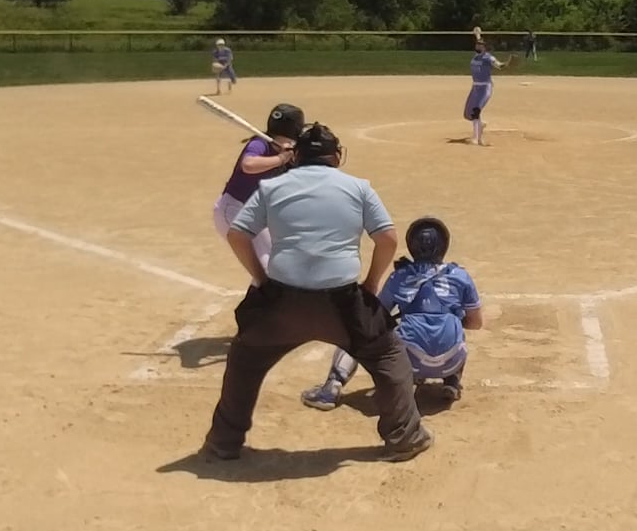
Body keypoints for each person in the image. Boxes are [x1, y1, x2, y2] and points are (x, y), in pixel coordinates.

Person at [204, 121, 434, 463]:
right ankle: (404, 437)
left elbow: (238, 234)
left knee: (245, 357)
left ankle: (225, 440)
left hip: (281, 302)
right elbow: (386, 239)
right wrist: (371, 285)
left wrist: (261, 279)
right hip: (342, 304)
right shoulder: (358, 187)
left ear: (296, 156)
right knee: (388, 356)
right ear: (336, 156)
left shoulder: (272, 187)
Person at [302, 215, 483, 411]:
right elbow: (476, 323)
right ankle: (451, 382)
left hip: (409, 363)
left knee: (360, 330)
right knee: (455, 324)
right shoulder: (460, 275)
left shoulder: (401, 275)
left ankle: (331, 388)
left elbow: (376, 315)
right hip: (451, 361)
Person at [213, 103, 305, 269]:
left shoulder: (288, 151)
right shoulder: (259, 143)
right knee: (269, 268)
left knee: (275, 263)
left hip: (253, 215)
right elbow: (248, 165)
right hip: (234, 211)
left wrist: (291, 158)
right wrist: (281, 159)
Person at [464, 27, 507, 146]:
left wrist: (506, 64)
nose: (477, 46)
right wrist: (477, 34)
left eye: (480, 45)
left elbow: (498, 65)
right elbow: (479, 40)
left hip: (485, 88)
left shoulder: (488, 57)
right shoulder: (476, 56)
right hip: (475, 88)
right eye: (477, 44)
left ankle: (476, 138)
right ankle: (480, 125)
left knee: (476, 110)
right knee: (468, 114)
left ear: (484, 47)